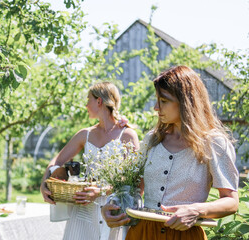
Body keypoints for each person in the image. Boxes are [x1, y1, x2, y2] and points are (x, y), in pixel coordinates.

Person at [102, 65, 239, 240]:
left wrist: (196, 210)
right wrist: (112, 205)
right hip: (143, 233)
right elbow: (133, 189)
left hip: (186, 235)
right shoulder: (152, 139)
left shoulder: (214, 143)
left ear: (186, 102)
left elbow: (231, 201)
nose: (156, 108)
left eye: (163, 101)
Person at [40, 82, 139, 240]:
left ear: (99, 101)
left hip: (113, 211)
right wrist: (44, 182)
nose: (86, 105)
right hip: (83, 213)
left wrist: (101, 190)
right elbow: (57, 160)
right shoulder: (84, 134)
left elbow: (135, 180)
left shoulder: (127, 135)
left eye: (88, 100)